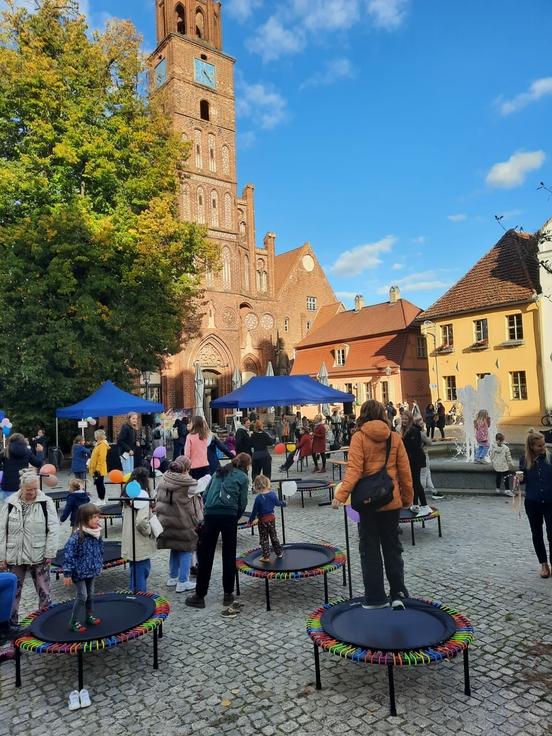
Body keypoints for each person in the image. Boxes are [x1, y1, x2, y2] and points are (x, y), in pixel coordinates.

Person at [331, 400, 413, 609]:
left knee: (369, 549)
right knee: (393, 548)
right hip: (390, 501)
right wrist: (407, 499)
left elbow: (354, 470)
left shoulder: (359, 437)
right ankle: (397, 593)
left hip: (368, 503)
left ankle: (375, 597)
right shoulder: (394, 437)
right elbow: (405, 472)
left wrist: (340, 496)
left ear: (364, 415)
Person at [185, 453, 251, 611]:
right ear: (246, 466)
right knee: (229, 555)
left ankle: (199, 596)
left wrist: (209, 509)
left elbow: (206, 494)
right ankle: (228, 594)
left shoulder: (218, 472)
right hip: (229, 516)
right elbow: (243, 502)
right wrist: (235, 516)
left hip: (211, 514)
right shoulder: (243, 477)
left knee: (205, 555)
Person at [0, 470, 59, 629]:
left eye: (34, 489)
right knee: (11, 594)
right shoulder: (10, 502)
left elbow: (53, 529)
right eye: (28, 490)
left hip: (39, 555)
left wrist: (50, 552)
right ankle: (10, 627)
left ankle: (46, 624)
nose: (32, 492)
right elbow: (1, 530)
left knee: (44, 593)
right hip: (15, 556)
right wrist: (1, 557)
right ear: (22, 487)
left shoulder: (46, 502)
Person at [155, 458, 203, 593]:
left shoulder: (163, 479)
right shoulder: (188, 484)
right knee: (186, 549)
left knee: (174, 548)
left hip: (166, 521)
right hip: (183, 522)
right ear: (186, 469)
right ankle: (183, 581)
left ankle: (173, 577)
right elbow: (201, 486)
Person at [63, 503, 103, 632]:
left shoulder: (96, 534)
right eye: (94, 517)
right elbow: (69, 555)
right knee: (82, 596)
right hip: (79, 572)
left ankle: (89, 615)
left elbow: (100, 550)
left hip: (91, 570)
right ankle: (73, 621)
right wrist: (68, 573)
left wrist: (99, 564)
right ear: (85, 519)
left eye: (98, 516)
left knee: (90, 594)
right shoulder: (77, 537)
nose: (97, 519)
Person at [518, 430, 552, 578]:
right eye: (539, 446)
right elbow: (524, 480)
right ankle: (544, 564)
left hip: (550, 502)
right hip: (532, 502)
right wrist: (518, 480)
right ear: (531, 446)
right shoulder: (524, 460)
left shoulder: (550, 457)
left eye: (544, 444)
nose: (543, 447)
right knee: (536, 534)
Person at [121, 467, 156, 592]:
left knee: (134, 571)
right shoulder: (142, 497)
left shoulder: (127, 495)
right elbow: (141, 521)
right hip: (139, 540)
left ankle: (134, 594)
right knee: (142, 570)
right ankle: (140, 598)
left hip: (130, 539)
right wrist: (148, 531)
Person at [249, 475, 285, 562]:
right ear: (267, 483)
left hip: (262, 521)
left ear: (257, 486)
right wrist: (283, 503)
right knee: (274, 536)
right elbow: (277, 503)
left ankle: (266, 556)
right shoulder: (272, 494)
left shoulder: (258, 498)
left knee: (264, 539)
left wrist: (250, 521)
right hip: (271, 519)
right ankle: (279, 552)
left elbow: (254, 512)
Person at [400, 411, 431, 515]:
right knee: (414, 482)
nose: (404, 421)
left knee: (416, 483)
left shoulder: (412, 430)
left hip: (415, 460)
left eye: (406, 419)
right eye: (403, 419)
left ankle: (425, 506)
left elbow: (414, 447)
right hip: (413, 459)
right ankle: (416, 504)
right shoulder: (407, 430)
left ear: (410, 420)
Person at [0, 433, 42, 502]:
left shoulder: (5, 451)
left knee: (7, 510)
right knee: (22, 510)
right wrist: (39, 453)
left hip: (7, 486)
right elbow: (38, 464)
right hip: (22, 485)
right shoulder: (27, 451)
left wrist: (3, 468)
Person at [416, 417, 444, 501]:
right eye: (420, 424)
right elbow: (430, 442)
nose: (422, 425)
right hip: (423, 455)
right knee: (424, 475)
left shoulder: (414, 432)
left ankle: (434, 491)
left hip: (421, 455)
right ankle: (420, 493)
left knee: (427, 473)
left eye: (422, 423)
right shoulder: (421, 433)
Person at [184, 416, 211, 480]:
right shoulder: (205, 435)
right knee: (205, 486)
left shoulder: (189, 436)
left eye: (191, 422)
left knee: (195, 487)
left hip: (193, 466)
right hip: (205, 464)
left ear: (194, 424)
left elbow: (187, 454)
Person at [89, 429, 109, 505]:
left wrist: (98, 468)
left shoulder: (103, 445)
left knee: (100, 484)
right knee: (98, 484)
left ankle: (102, 499)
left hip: (99, 469)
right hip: (96, 468)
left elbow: (102, 457)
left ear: (98, 436)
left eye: (95, 435)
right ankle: (100, 499)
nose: (94, 436)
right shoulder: (98, 444)